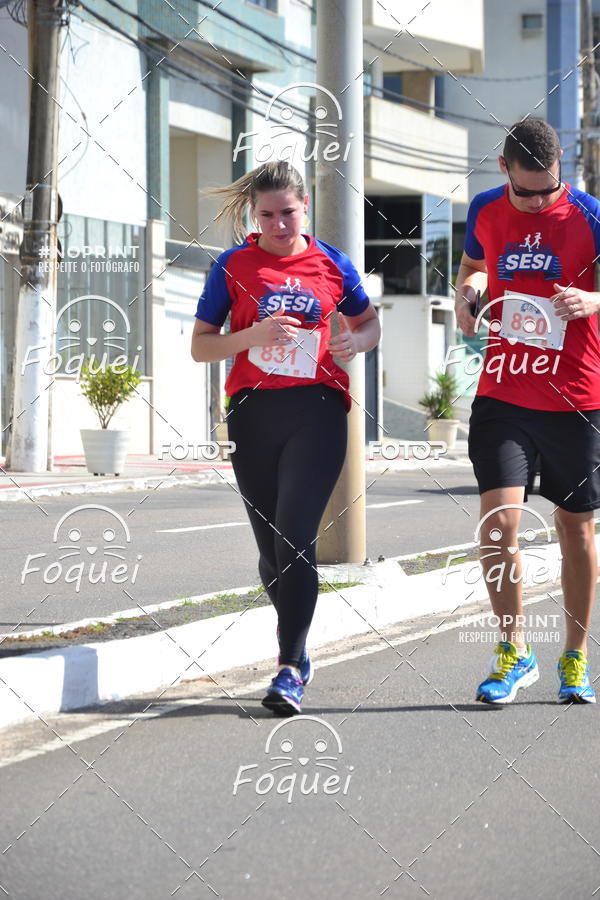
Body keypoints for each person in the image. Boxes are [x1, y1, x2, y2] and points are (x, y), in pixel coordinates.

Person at [191, 161, 380, 715]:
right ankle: (296, 644)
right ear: (254, 214)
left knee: (296, 540)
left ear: (305, 208)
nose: (278, 224)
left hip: (318, 410)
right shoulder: (233, 266)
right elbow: (202, 347)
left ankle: (289, 666)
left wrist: (355, 343)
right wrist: (253, 335)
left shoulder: (331, 263)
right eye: (267, 214)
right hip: (252, 413)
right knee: (273, 553)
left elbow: (368, 322)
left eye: (288, 213)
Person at [455, 117, 600, 704]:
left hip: (576, 394)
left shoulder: (590, 214)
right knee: (499, 523)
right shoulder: (487, 210)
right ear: (504, 171)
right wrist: (469, 294)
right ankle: (514, 651)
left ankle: (574, 656)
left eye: (549, 189)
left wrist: (591, 298)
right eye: (528, 191)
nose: (540, 201)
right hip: (504, 389)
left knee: (576, 528)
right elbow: (474, 266)